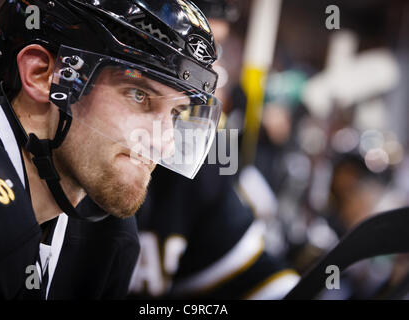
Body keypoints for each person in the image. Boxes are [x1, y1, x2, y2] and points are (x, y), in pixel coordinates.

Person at [0, 0, 222, 299]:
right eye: (139, 95)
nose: (164, 144)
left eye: (175, 114)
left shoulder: (109, 238)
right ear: (43, 75)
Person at [128, 0, 300, 300]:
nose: (213, 75)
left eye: (215, 51)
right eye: (197, 47)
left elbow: (259, 280)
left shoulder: (198, 168)